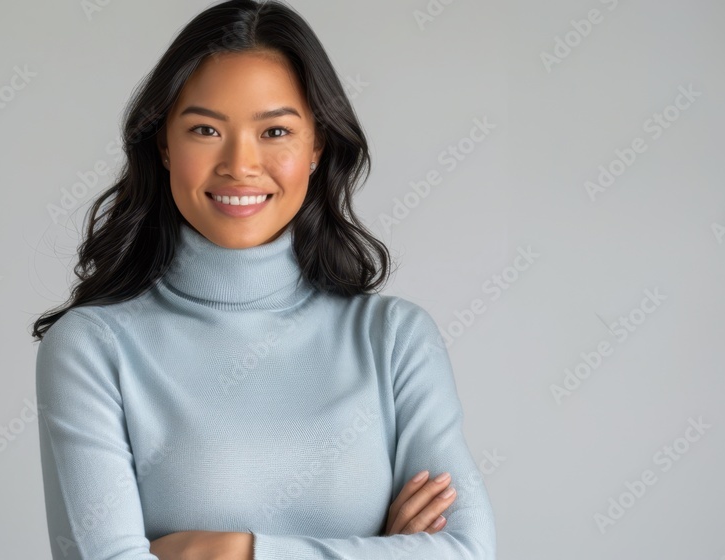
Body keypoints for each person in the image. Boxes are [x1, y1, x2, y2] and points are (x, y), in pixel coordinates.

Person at [30, 1, 497, 558]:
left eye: (275, 130)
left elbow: (467, 550)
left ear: (317, 146)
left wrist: (235, 551)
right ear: (163, 146)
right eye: (205, 129)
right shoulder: (92, 348)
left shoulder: (394, 340)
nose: (240, 164)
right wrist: (380, 550)